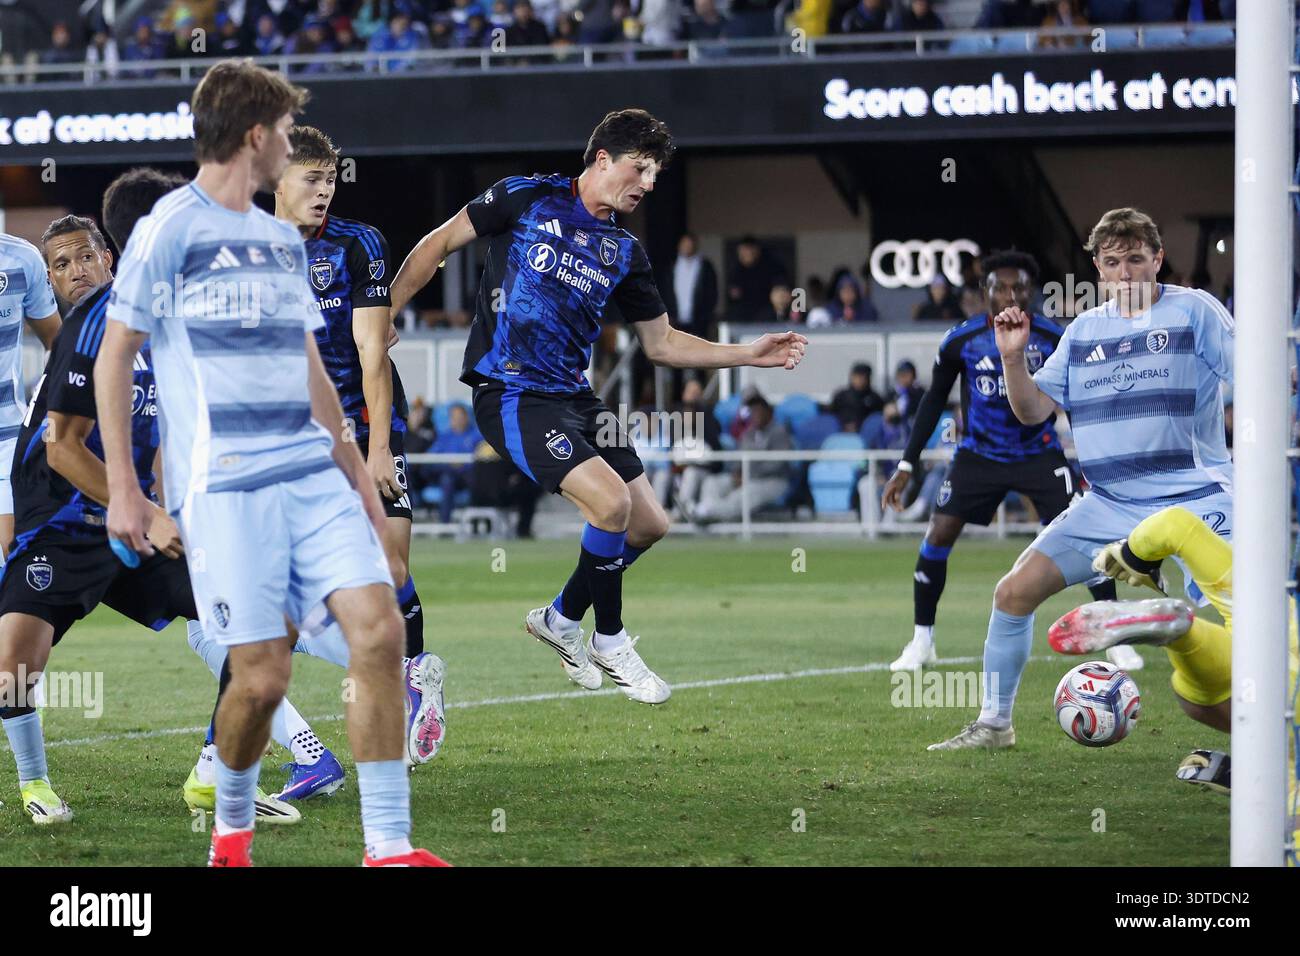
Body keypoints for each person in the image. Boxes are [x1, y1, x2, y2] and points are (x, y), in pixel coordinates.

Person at [95, 60, 446, 867]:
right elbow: (117, 359)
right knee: (261, 679)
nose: (293, 146)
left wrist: (358, 475)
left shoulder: (275, 240)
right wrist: (126, 492)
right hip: (227, 491)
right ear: (256, 137)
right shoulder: (168, 230)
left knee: (382, 628)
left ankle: (388, 847)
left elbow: (312, 370)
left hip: (313, 475)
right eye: (287, 132)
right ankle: (230, 835)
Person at [389, 108, 807, 704]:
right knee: (610, 505)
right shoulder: (524, 196)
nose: (648, 183)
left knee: (650, 523)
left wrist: (748, 353)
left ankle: (559, 619)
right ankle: (609, 639)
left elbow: (661, 345)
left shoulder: (625, 252)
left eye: (656, 175)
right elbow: (438, 244)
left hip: (579, 400)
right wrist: (388, 316)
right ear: (602, 158)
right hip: (511, 391)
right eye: (640, 169)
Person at [927, 209, 1233, 751]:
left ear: (1157, 259)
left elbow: (1253, 375)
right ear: (1098, 269)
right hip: (1111, 505)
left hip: (1196, 498)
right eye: (1113, 262)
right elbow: (1032, 411)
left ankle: (1265, 736)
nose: (1126, 273)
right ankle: (995, 724)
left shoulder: (1196, 311)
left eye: (1137, 259)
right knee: (1013, 592)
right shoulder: (1084, 330)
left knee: (1244, 626)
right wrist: (1014, 358)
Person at [273, 125, 446, 765]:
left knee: (391, 566)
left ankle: (418, 672)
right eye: (310, 180)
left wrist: (375, 448)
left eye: (330, 180)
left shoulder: (357, 242)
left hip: (363, 418)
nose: (324, 192)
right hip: (290, 432)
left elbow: (374, 350)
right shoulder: (245, 247)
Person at [881, 251, 1122, 673]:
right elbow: (933, 398)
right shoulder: (961, 340)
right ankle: (922, 641)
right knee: (937, 536)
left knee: (1085, 538)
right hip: (979, 454)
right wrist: (906, 464)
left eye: (1019, 287)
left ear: (1031, 293)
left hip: (1039, 453)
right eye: (1000, 287)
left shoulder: (1054, 337)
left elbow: (1079, 399)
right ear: (984, 292)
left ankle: (1113, 633)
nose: (1010, 295)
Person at [1047, 505, 1295, 799]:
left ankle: (1182, 634)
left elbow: (1174, 523)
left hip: (1277, 601)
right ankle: (1272, 764)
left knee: (1242, 660)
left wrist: (1132, 556)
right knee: (1247, 705)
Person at [0, 231, 62, 559]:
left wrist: (54, 412)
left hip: (6, 439)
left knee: (15, 552)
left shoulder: (21, 258)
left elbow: (58, 343)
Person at [684, 394, 792, 523]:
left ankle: (704, 512)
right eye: (752, 411)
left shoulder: (780, 432)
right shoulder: (748, 434)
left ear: (768, 412)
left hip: (772, 481)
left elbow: (777, 464)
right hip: (746, 477)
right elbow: (739, 458)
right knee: (712, 482)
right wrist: (737, 473)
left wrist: (748, 474)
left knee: (741, 495)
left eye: (758, 410)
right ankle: (705, 511)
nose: (755, 414)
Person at [660, 232, 718, 339]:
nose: (687, 247)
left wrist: (707, 314)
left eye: (689, 244)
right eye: (684, 244)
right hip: (676, 319)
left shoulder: (704, 266)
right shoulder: (672, 266)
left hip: (699, 319)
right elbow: (666, 291)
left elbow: (711, 292)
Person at [828, 362, 884, 430]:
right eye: (856, 377)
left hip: (864, 435)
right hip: (841, 433)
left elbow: (877, 421)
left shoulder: (875, 398)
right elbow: (831, 416)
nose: (859, 380)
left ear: (868, 379)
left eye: (863, 377)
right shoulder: (841, 396)